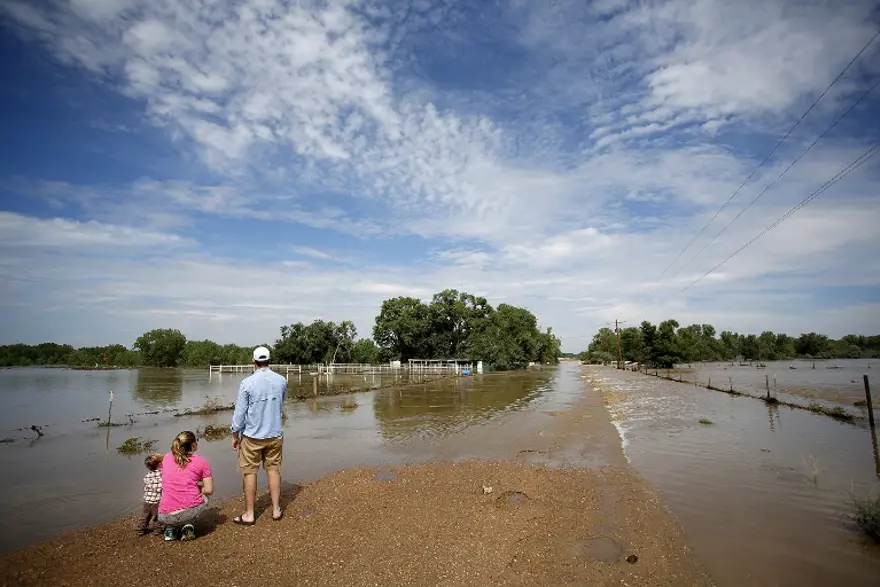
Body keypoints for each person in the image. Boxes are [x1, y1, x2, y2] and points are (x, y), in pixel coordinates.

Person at [230, 345, 287, 525]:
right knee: (273, 469)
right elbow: (281, 402)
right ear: (269, 360)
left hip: (252, 436)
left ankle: (249, 514)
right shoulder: (281, 380)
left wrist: (235, 434)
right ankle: (276, 509)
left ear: (253, 361)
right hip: (274, 433)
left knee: (249, 472)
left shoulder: (247, 383)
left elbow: (240, 413)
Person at [158, 431, 214, 541]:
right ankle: (188, 526)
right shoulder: (201, 462)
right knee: (205, 496)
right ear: (193, 445)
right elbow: (209, 490)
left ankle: (171, 529)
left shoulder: (166, 457)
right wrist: (199, 488)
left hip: (164, 515)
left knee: (169, 490)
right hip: (188, 513)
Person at [138, 453, 165, 536]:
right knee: (157, 516)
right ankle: (158, 529)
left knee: (145, 515)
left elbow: (146, 483)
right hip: (156, 501)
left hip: (147, 500)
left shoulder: (148, 475)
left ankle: (141, 529)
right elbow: (161, 487)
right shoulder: (161, 474)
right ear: (160, 465)